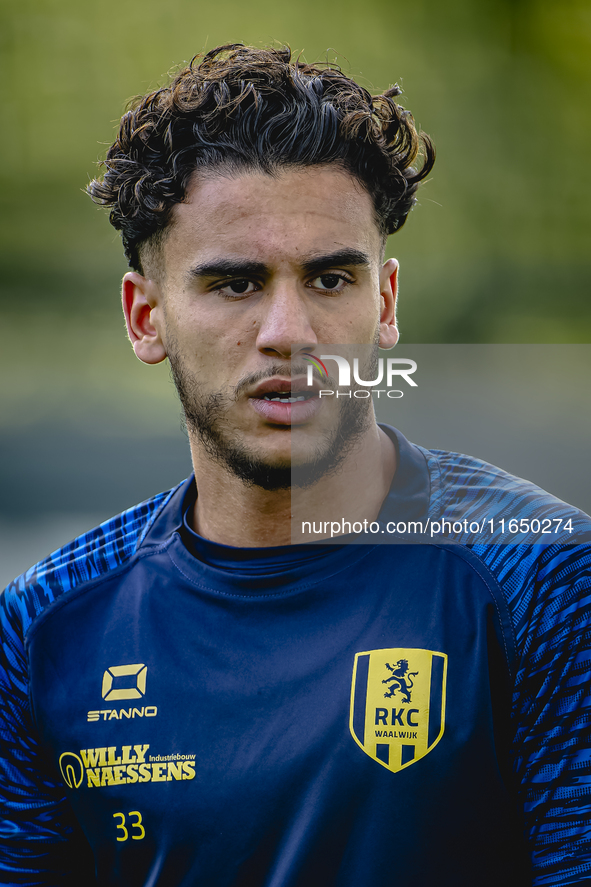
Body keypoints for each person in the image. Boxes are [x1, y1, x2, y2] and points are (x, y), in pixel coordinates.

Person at [1, 43, 590, 887]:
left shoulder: (544, 576)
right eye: (234, 284)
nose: (290, 330)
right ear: (145, 318)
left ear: (382, 304)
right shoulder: (44, 627)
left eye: (328, 278)